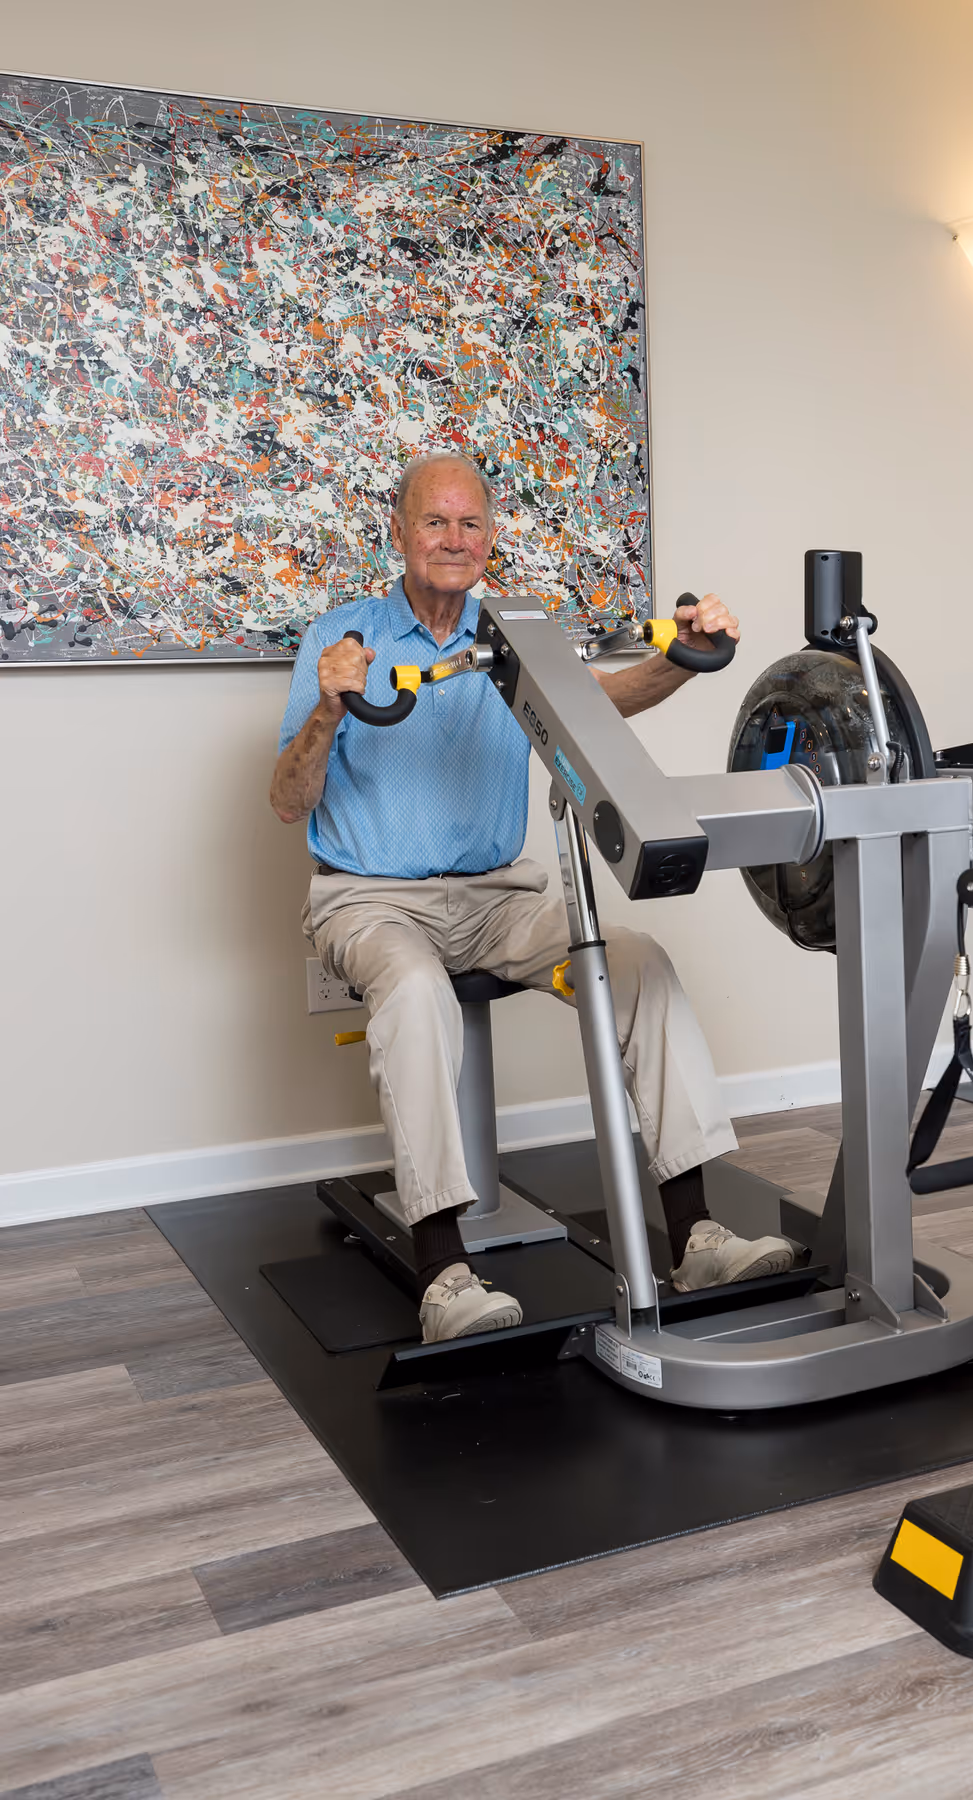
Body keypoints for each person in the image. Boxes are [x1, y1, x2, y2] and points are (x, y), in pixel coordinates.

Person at [271, 451, 793, 1342]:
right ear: (397, 533)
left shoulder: (512, 637)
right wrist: (328, 708)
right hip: (370, 901)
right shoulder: (344, 639)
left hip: (499, 900)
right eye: (433, 521)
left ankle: (697, 1232)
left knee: (635, 963)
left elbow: (606, 701)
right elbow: (289, 800)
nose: (453, 539)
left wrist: (693, 657)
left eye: (470, 523)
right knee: (413, 990)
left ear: (490, 537)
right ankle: (443, 1276)